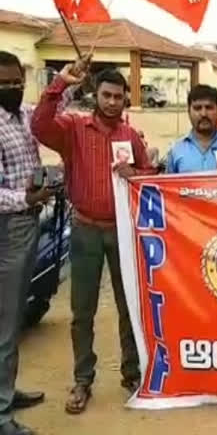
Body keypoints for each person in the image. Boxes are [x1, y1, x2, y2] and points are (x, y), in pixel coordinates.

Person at [30, 57, 156, 415]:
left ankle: (132, 375)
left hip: (122, 232)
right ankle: (83, 379)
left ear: (125, 100)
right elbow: (40, 126)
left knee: (127, 306)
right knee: (81, 311)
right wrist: (61, 84)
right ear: (95, 95)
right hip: (85, 229)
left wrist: (136, 173)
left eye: (118, 96)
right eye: (107, 95)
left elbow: (146, 176)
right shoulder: (72, 129)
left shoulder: (130, 136)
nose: (112, 102)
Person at [0, 51, 50, 435]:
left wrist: (68, 78)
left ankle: (6, 390)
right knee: (5, 322)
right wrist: (26, 200)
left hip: (27, 223)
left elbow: (51, 107)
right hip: (8, 226)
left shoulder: (22, 115)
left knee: (14, 316)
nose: (14, 89)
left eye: (17, 82)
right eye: (5, 83)